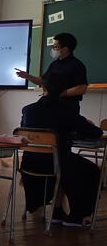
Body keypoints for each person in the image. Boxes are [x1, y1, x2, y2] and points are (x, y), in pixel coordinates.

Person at [20, 71, 103, 227]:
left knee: (67, 164)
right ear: (64, 90)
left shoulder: (28, 110)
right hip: (57, 164)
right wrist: (88, 124)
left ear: (44, 87)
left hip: (29, 164)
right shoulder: (66, 110)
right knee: (90, 170)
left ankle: (57, 211)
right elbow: (95, 133)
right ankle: (77, 216)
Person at [15, 33, 87, 112]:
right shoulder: (54, 64)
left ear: (65, 49)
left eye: (55, 47)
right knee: (28, 111)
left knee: (31, 113)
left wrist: (58, 94)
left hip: (67, 106)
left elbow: (81, 88)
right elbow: (42, 81)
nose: (53, 49)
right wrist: (27, 76)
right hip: (50, 102)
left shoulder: (77, 65)